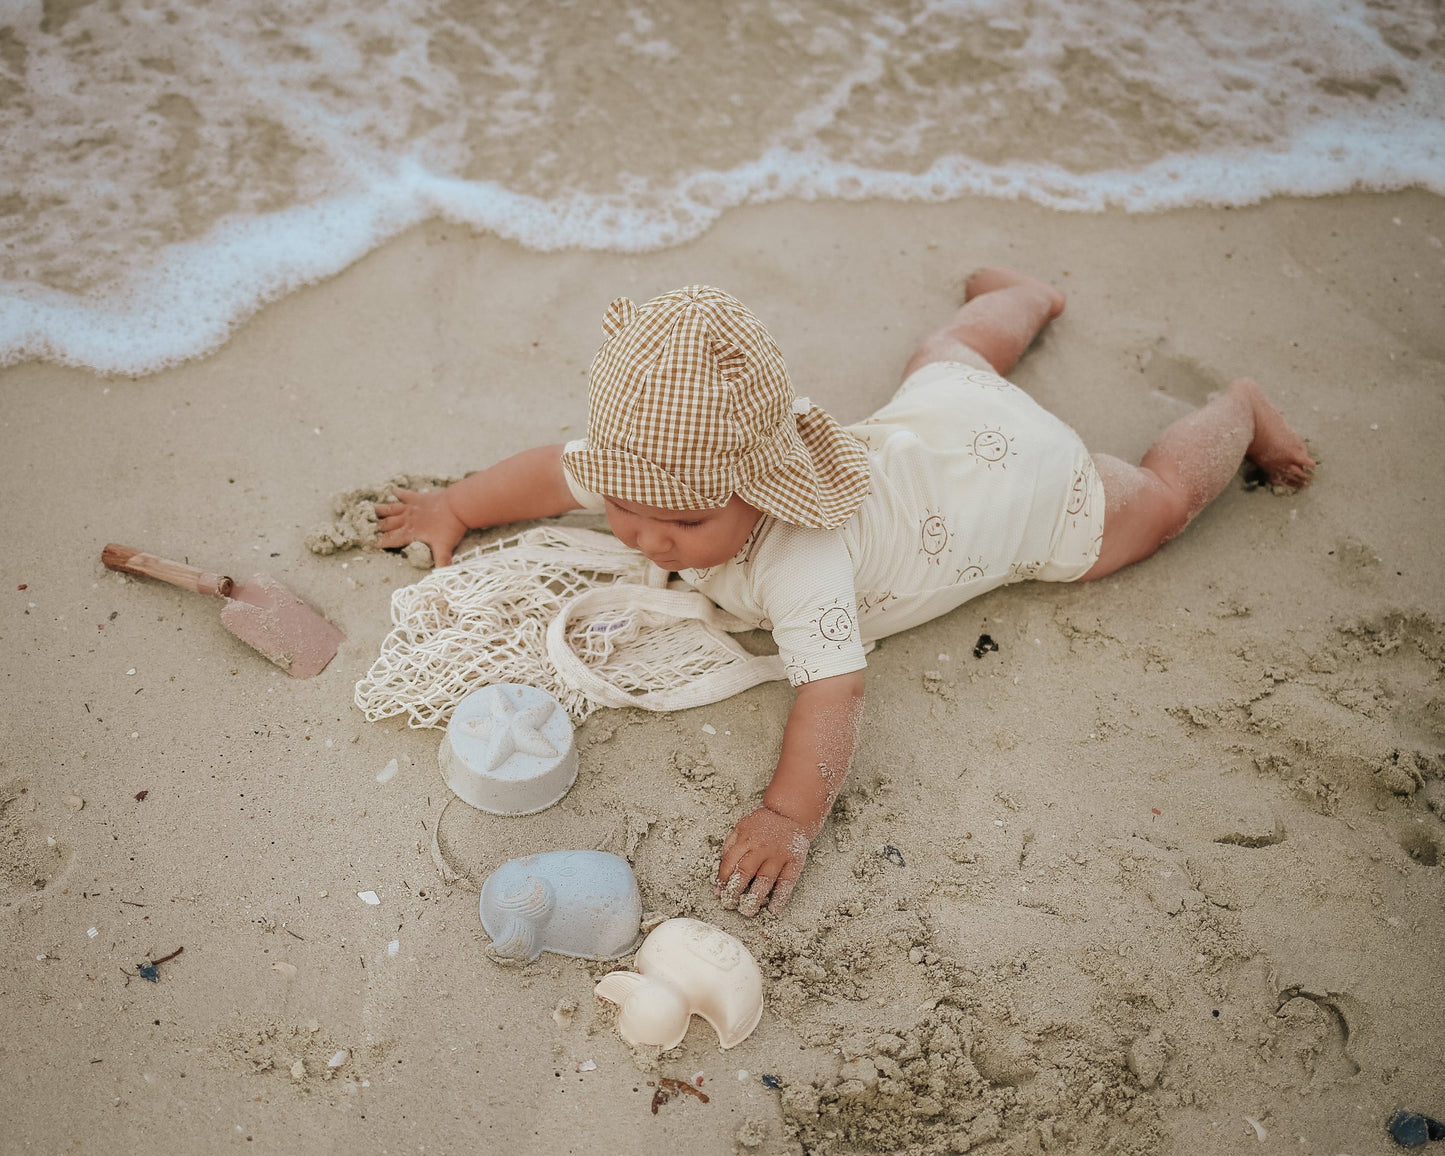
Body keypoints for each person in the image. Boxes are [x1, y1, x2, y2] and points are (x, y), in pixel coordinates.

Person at [375, 270, 1315, 917]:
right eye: (625, 507)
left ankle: (1236, 410)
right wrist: (457, 505)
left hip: (1022, 492)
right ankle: (1021, 295)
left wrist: (790, 815)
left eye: (686, 527)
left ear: (765, 487)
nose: (648, 536)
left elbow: (833, 691)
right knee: (950, 359)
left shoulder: (804, 555)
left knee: (1150, 509)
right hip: (937, 429)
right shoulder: (666, 458)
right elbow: (552, 471)